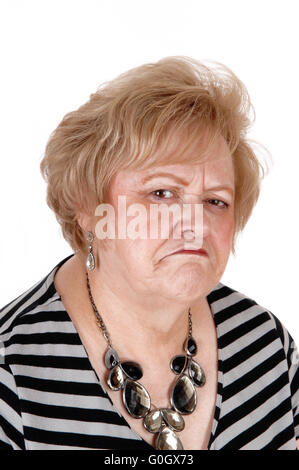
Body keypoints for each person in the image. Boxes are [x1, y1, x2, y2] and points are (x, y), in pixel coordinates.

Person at [0, 56, 298, 451]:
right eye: (162, 193)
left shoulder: (267, 346)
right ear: (88, 208)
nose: (196, 224)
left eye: (216, 201)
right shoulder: (13, 373)